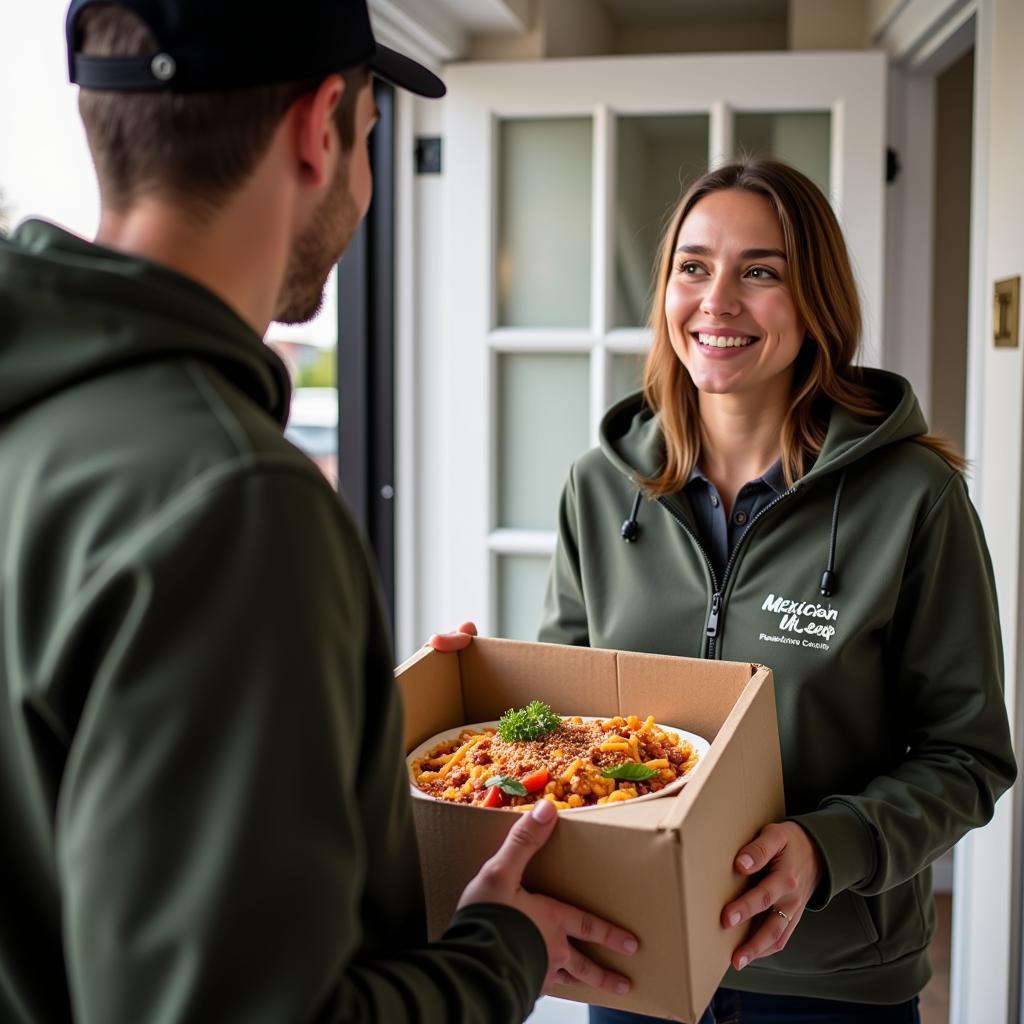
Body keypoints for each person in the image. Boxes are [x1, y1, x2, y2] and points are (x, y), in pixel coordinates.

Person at [0, 2, 639, 1022]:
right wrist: (499, 947)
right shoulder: (234, 504)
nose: (367, 178)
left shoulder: (34, 418)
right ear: (320, 126)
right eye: (373, 137)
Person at [434, 158, 1017, 1023]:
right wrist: (482, 690)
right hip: (636, 960)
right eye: (693, 267)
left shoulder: (913, 500)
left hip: (830, 979)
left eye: (761, 271)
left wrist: (827, 848)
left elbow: (968, 756)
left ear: (815, 298)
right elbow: (568, 716)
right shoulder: (599, 488)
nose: (718, 301)